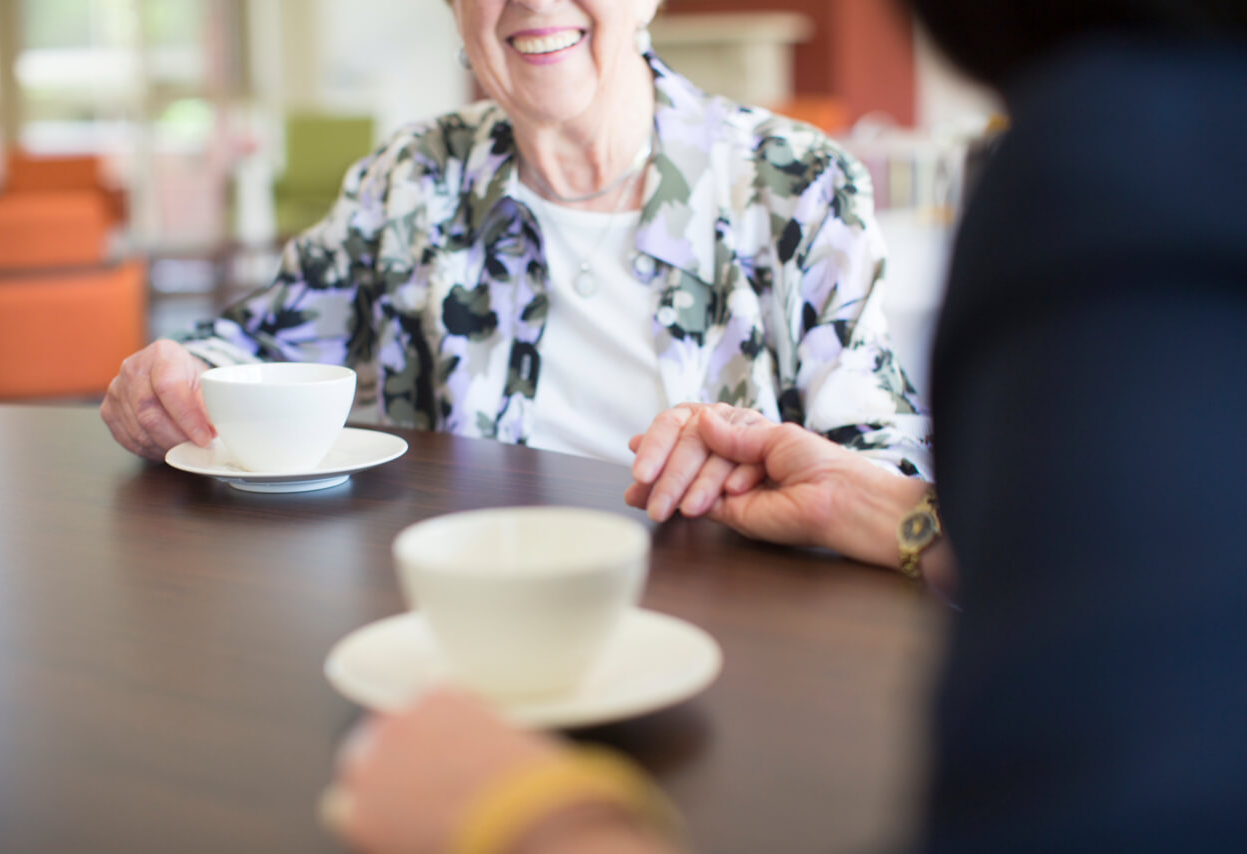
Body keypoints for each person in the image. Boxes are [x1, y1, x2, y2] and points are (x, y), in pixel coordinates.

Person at [316, 1, 1247, 852]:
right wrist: (182, 366)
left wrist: (526, 824)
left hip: (736, 692)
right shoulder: (407, 175)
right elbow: (253, 345)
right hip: (471, 649)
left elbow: (1123, 778)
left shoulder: (1098, 167)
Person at [99, 0, 930, 487]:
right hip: (462, 614)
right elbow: (246, 351)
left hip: (734, 618)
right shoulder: (414, 176)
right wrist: (170, 378)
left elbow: (886, 461)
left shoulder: (796, 182)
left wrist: (767, 462)